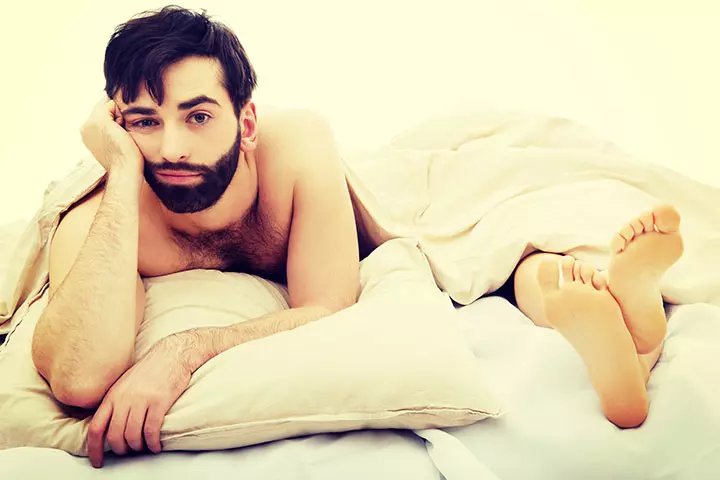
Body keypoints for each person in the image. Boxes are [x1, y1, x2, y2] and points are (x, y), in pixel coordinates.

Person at [28, 5, 682, 469]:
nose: (170, 147)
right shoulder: (106, 210)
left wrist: (183, 352)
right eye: (143, 121)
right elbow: (80, 375)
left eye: (197, 116)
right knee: (505, 256)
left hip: (387, 196)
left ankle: (621, 311)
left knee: (501, 238)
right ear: (115, 123)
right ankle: (635, 327)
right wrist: (118, 169)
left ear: (246, 119)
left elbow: (328, 301)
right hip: (120, 190)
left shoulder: (297, 143)